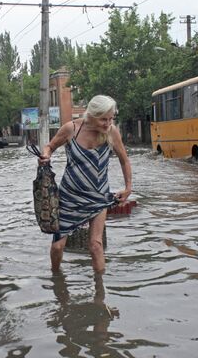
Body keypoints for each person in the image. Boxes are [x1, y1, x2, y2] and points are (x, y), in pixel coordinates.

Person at [39, 95, 132, 273]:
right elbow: (49, 147)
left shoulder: (111, 132)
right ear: (91, 115)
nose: (108, 123)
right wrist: (46, 156)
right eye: (103, 119)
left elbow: (124, 160)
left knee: (96, 245)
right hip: (68, 197)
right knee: (58, 247)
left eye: (111, 118)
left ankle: (100, 295)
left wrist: (128, 187)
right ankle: (56, 279)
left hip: (98, 197)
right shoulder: (71, 129)